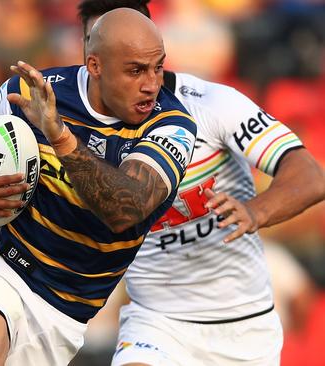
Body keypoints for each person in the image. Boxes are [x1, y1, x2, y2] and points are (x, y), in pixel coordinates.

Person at [0, 8, 197, 366]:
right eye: (135, 70)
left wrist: (59, 136)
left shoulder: (172, 126)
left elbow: (124, 210)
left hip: (66, 313)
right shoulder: (28, 92)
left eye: (157, 67)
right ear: (95, 65)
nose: (151, 84)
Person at [76, 1, 325, 365]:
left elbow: (309, 175)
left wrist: (256, 211)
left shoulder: (212, 104)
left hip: (243, 326)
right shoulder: (69, 127)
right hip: (154, 323)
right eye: (95, 42)